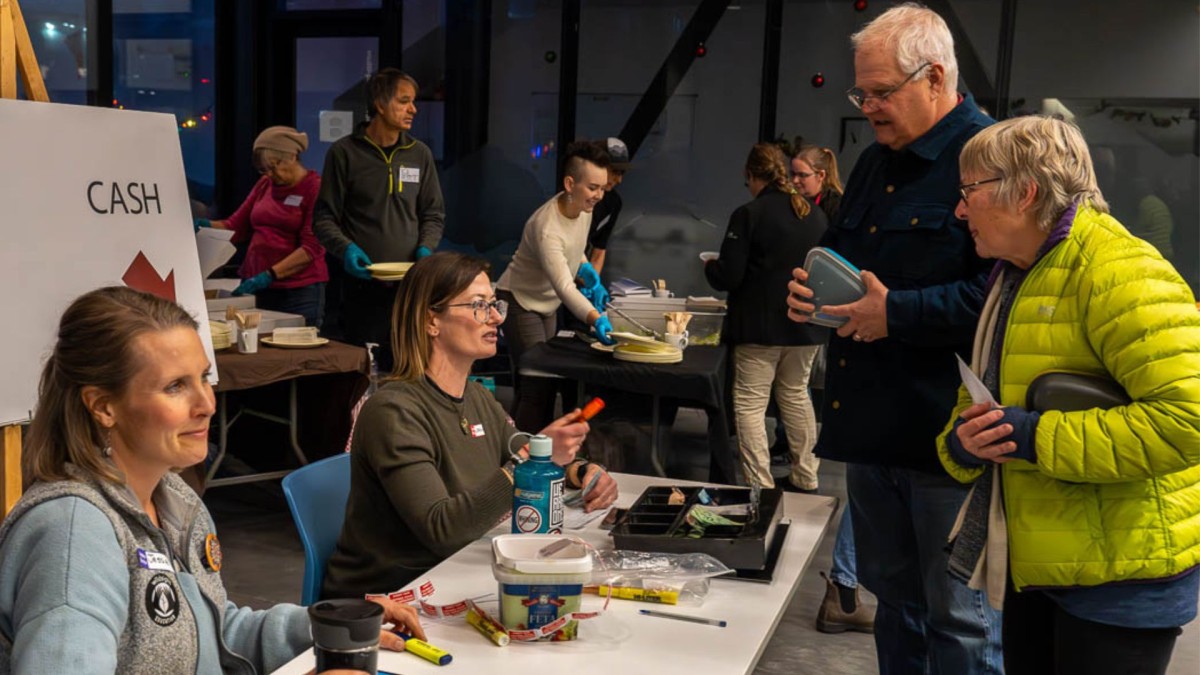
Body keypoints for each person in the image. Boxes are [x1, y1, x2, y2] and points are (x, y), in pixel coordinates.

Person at [0, 286, 424, 674]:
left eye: (203, 377)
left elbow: (214, 632)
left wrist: (327, 621)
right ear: (103, 406)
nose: (206, 403)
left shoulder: (174, 499)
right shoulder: (74, 532)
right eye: (174, 387)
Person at [940, 116, 1200, 675]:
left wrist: (1032, 436)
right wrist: (965, 442)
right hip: (1044, 564)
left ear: (1025, 192)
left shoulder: (1121, 272)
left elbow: (1188, 422)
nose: (961, 210)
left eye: (969, 192)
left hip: (1120, 584)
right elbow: (987, 396)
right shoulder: (1020, 274)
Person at [785, 5, 1002, 673]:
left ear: (935, 76)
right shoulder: (877, 161)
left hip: (950, 444)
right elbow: (840, 253)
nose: (868, 107)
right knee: (895, 609)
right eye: (862, 92)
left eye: (881, 92)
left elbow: (1004, 300)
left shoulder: (991, 158)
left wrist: (896, 314)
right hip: (875, 434)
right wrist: (806, 292)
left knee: (960, 624)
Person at [323, 252, 618, 599]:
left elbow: (518, 449)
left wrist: (580, 471)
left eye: (495, 304)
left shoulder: (476, 397)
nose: (495, 317)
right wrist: (534, 456)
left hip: (451, 578)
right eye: (479, 306)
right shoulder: (393, 411)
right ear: (430, 321)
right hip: (390, 603)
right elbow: (442, 528)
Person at [704, 143, 826, 492]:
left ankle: (761, 484)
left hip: (760, 327)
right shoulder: (813, 214)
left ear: (751, 176)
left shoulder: (749, 214)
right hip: (807, 327)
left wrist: (711, 267)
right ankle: (806, 476)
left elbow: (730, 276)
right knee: (796, 395)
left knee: (750, 404)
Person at [313, 67, 445, 371]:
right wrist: (345, 249)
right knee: (359, 376)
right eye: (404, 101)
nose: (413, 109)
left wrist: (426, 247)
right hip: (358, 290)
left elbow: (433, 214)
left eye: (413, 101)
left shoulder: (419, 154)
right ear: (380, 104)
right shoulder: (344, 153)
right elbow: (323, 219)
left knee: (407, 370)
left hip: (409, 287)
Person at [496, 140, 614, 433]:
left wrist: (585, 267)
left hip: (546, 303)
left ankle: (523, 446)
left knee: (541, 379)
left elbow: (573, 253)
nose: (598, 195)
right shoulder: (546, 226)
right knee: (538, 382)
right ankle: (525, 455)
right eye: (592, 188)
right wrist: (595, 317)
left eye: (602, 187)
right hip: (520, 300)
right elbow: (563, 285)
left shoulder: (584, 209)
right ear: (570, 183)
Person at [196, 126, 328, 327]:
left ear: (292, 157)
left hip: (298, 292)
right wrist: (204, 225)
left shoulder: (315, 188)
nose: (270, 174)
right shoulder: (265, 184)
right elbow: (236, 227)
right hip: (257, 285)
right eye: (264, 169)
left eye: (274, 166)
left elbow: (311, 248)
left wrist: (269, 275)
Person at [586, 137, 632, 274]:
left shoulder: (612, 203)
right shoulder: (573, 198)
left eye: (622, 173)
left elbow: (599, 250)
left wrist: (593, 285)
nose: (619, 180)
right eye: (615, 172)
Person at [791, 144, 843, 226]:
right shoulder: (792, 199)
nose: (795, 180)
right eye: (793, 174)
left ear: (821, 175)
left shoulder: (835, 205)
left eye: (802, 175)